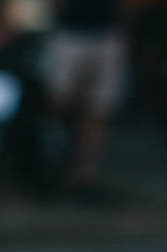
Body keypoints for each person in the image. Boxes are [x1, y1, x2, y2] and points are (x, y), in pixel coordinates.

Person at [46, 0, 128, 201]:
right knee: (57, 103)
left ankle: (85, 178)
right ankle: (51, 166)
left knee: (99, 110)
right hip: (70, 32)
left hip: (107, 33)